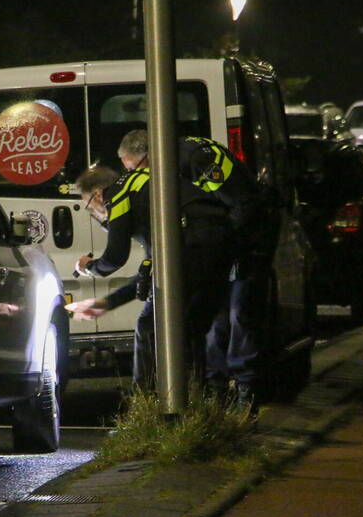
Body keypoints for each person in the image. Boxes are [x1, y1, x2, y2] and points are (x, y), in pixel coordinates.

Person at [118, 130, 275, 404]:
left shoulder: (195, 159)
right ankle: (215, 391)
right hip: (221, 245)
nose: (139, 179)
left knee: (241, 315)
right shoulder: (172, 164)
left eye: (136, 170)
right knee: (213, 319)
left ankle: (246, 393)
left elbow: (243, 205)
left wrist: (217, 246)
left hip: (249, 243)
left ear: (147, 156)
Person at [67, 149, 232, 390]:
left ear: (98, 195)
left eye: (90, 207)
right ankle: (205, 399)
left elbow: (115, 257)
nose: (94, 214)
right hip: (219, 240)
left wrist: (89, 268)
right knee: (195, 325)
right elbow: (156, 270)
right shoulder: (143, 193)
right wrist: (107, 303)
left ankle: (146, 402)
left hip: (194, 244)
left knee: (150, 324)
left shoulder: (118, 192)